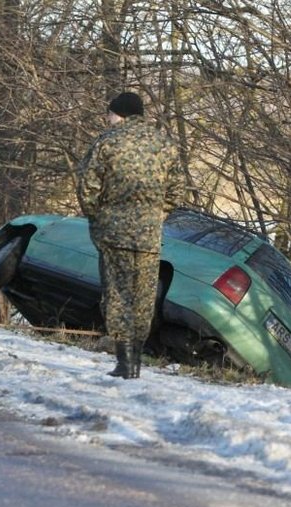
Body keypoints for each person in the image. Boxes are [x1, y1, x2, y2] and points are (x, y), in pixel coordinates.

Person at [78, 91, 183, 379]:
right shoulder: (164, 144)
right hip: (148, 234)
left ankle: (124, 362)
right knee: (143, 296)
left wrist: (97, 218)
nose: (107, 119)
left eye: (110, 113)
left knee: (118, 294)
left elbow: (87, 188)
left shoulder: (107, 142)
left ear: (119, 114)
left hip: (114, 233)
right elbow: (175, 191)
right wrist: (157, 215)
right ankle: (136, 359)